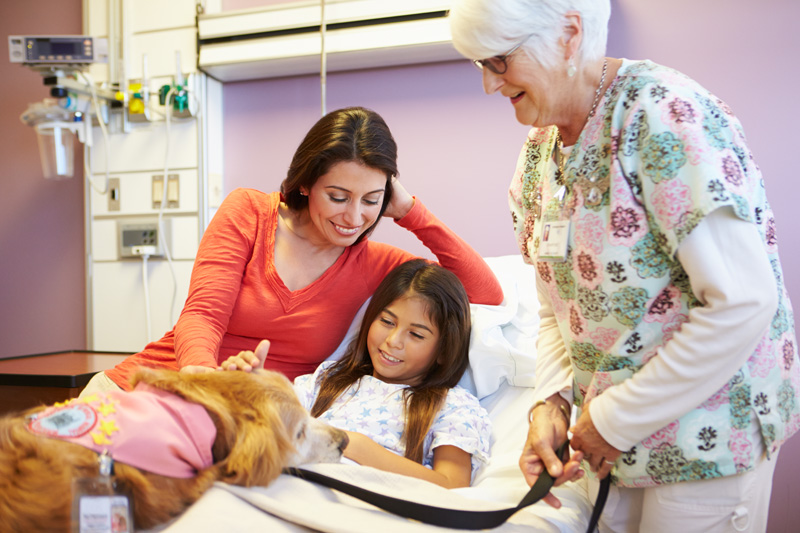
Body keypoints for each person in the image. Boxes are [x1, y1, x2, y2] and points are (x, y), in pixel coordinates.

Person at [448, 1, 798, 531]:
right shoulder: (540, 150)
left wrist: (613, 419)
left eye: (498, 61)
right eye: (479, 64)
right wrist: (551, 403)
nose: (490, 86)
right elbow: (555, 307)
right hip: (609, 447)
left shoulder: (665, 115)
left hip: (707, 439)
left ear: (569, 35)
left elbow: (742, 303)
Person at [82, 107, 503, 395]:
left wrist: (412, 211)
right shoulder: (249, 212)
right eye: (338, 196)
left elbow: (485, 291)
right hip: (151, 387)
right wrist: (203, 382)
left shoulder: (376, 265)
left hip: (242, 417)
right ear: (306, 183)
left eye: (371, 199)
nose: (354, 217)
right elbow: (203, 314)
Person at [293, 259, 491, 489]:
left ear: (444, 351)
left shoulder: (451, 405)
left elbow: (452, 486)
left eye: (416, 335)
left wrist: (355, 446)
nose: (393, 341)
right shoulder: (329, 379)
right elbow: (274, 422)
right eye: (387, 321)